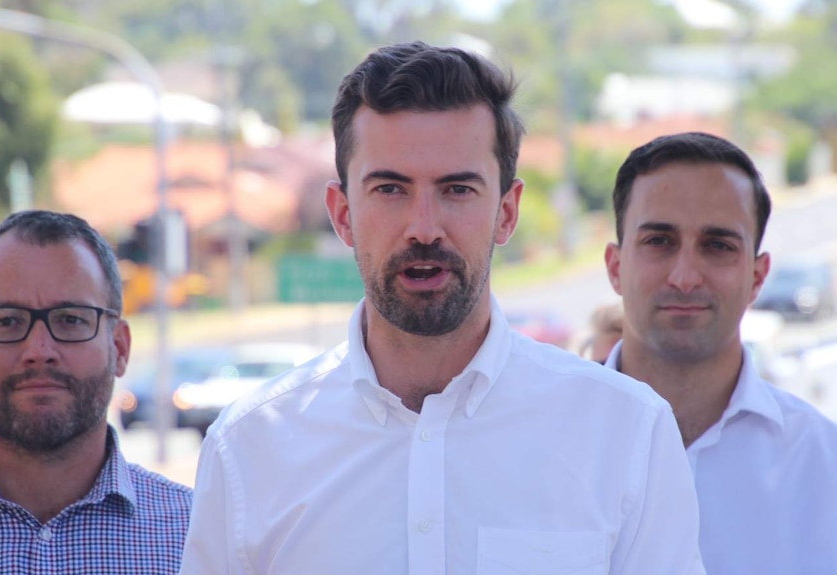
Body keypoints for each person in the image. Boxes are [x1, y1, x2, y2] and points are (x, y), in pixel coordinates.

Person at [179, 41, 704, 575]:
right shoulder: (249, 448)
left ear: (506, 211)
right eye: (390, 189)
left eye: (457, 189)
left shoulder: (626, 432)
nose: (424, 228)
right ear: (342, 214)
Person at [603, 131, 837, 574]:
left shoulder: (824, 468)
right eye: (659, 241)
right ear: (616, 266)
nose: (685, 277)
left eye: (718, 246)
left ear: (757, 276)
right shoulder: (535, 448)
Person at [0, 210, 192, 574]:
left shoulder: (198, 537)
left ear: (120, 349)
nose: (39, 350)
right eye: (7, 321)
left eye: (71, 319)